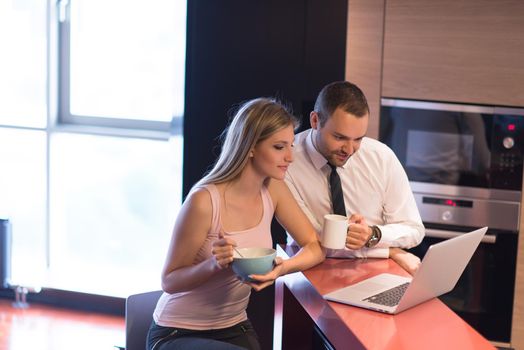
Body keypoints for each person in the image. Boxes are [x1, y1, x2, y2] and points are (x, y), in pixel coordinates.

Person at [146, 98, 324, 350]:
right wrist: (213, 264)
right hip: (177, 331)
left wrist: (281, 269)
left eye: (291, 146)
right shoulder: (204, 201)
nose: (290, 157)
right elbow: (169, 281)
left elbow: (315, 248)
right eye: (279, 147)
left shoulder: (274, 189)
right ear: (250, 146)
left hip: (234, 325)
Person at [284, 81, 424, 275]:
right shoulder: (287, 161)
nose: (349, 150)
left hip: (374, 271)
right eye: (339, 137)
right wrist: (390, 250)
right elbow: (315, 239)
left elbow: (414, 230)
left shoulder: (382, 157)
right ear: (315, 121)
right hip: (308, 271)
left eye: (358, 139)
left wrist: (373, 235)